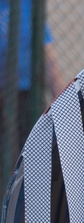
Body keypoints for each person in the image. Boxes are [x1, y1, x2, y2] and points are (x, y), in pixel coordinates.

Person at [0, 0, 63, 156]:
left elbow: (48, 56)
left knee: (29, 154)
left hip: (26, 94)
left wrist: (63, 102)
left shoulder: (29, 5)